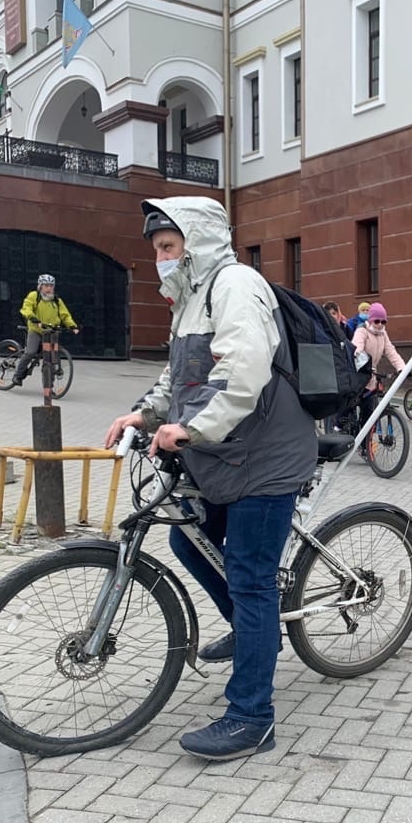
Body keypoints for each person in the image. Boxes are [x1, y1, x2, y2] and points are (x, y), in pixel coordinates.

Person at [104, 196, 317, 761]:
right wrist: (145, 415)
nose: (162, 260)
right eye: (156, 252)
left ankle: (253, 717)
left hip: (266, 459)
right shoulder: (192, 299)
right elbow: (180, 377)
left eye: (169, 247)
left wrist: (191, 430)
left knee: (250, 579)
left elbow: (241, 374)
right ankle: (256, 632)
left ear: (195, 242)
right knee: (186, 537)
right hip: (226, 454)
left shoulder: (236, 286)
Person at [351, 302, 405, 435]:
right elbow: (357, 350)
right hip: (359, 373)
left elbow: (391, 352)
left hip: (371, 376)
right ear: (370, 320)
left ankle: (364, 444)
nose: (380, 324)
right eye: (376, 321)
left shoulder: (383, 334)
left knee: (368, 410)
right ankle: (340, 425)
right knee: (349, 404)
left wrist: (402, 368)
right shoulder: (362, 331)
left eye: (383, 321)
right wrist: (364, 365)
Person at [13, 274, 78, 384]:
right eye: (46, 285)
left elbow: (65, 315)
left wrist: (72, 326)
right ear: (40, 286)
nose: (49, 288)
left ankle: (49, 387)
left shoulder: (57, 300)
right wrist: (33, 318)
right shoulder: (34, 296)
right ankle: (17, 375)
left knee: (51, 360)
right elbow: (26, 308)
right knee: (30, 352)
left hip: (51, 332)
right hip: (36, 330)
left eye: (51, 286)